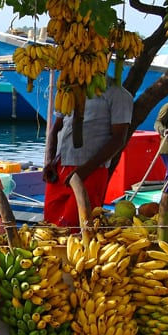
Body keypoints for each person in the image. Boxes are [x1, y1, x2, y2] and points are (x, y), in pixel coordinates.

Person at [43, 83, 133, 227]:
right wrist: (49, 161)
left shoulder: (118, 95)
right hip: (58, 168)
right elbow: (56, 128)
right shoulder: (67, 90)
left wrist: (85, 170)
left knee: (79, 227)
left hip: (90, 171)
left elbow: (118, 139)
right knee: (50, 225)